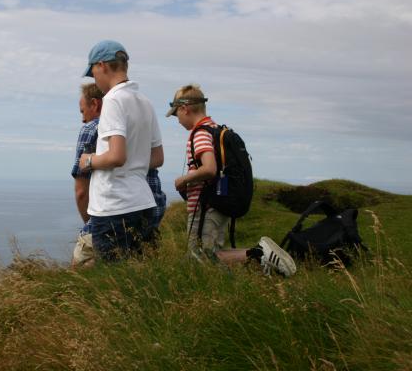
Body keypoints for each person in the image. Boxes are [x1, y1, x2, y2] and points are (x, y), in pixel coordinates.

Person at [167, 84, 296, 276]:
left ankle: (259, 254)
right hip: (219, 204)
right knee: (211, 254)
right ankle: (257, 261)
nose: (177, 120)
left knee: (201, 256)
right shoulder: (215, 129)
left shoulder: (200, 133)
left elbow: (209, 168)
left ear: (185, 108)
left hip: (206, 207)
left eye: (176, 114)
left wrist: (183, 180)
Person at [79, 40, 164, 261]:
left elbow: (117, 156)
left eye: (93, 72)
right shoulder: (144, 101)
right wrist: (134, 160)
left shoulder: (113, 100)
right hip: (142, 202)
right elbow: (157, 158)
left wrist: (89, 161)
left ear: (102, 65)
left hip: (114, 206)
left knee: (113, 284)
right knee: (140, 278)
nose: (94, 79)